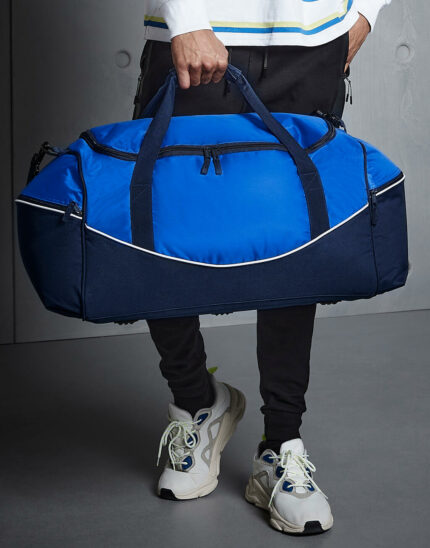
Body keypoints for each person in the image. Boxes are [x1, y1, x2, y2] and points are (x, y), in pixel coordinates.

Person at [132, 0, 391, 535]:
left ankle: (281, 446)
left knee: (294, 240)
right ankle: (197, 402)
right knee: (165, 223)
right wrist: (185, 18)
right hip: (199, 31)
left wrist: (366, 10)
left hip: (311, 43)